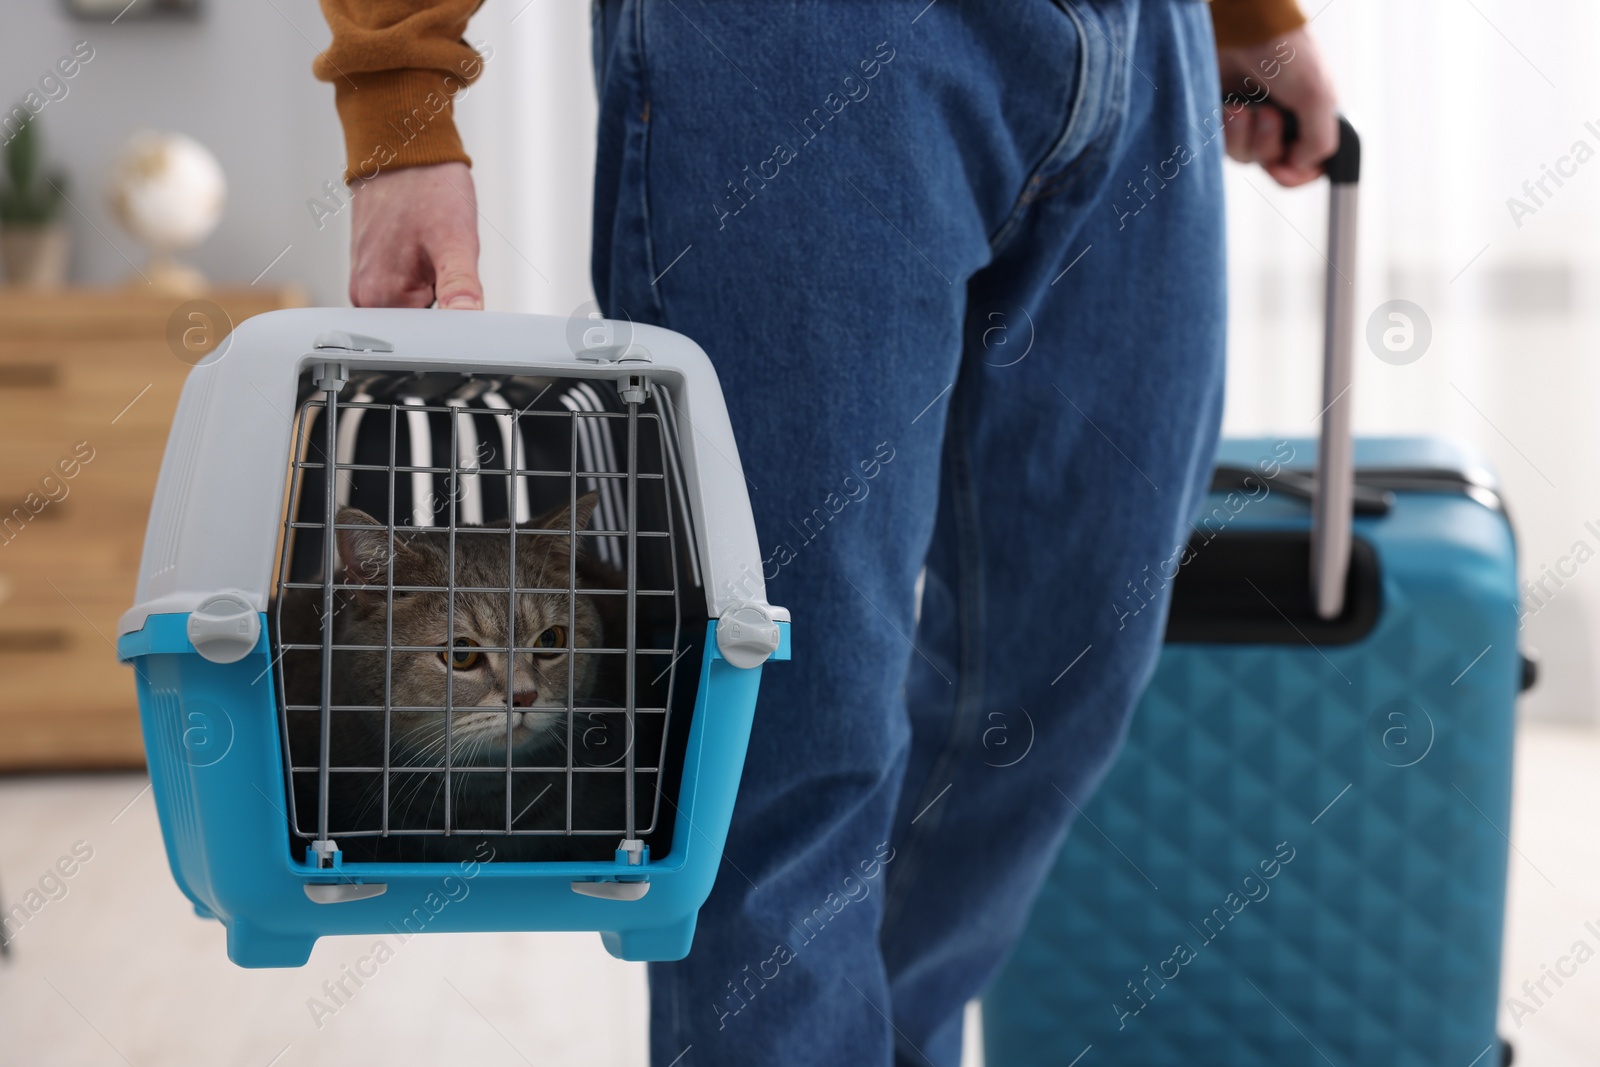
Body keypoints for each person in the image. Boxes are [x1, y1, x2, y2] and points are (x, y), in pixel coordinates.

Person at [311, 1, 1338, 1063]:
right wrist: (400, 98)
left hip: (1141, 45)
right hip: (796, 41)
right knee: (790, 730)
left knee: (1066, 669)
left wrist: (1248, 17)